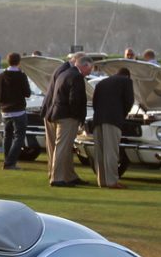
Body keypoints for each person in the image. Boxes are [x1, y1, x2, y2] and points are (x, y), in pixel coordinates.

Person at [47, 53, 91, 187]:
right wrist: (78, 117)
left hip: (59, 114)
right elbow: (75, 100)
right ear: (84, 65)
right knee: (62, 148)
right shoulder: (76, 76)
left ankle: (68, 176)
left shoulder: (65, 73)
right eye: (89, 69)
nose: (90, 72)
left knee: (64, 148)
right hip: (67, 117)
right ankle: (57, 178)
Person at [90, 66, 134, 188]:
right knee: (111, 151)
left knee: (100, 151)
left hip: (98, 119)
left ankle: (102, 180)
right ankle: (112, 181)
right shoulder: (127, 81)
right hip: (113, 120)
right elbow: (129, 101)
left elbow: (94, 102)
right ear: (127, 76)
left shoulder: (101, 83)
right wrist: (122, 115)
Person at [0, 52, 32, 170]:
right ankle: (10, 162)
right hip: (18, 111)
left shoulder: (0, 76)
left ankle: (7, 160)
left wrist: (0, 104)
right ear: (19, 62)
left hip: (5, 111)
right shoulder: (21, 76)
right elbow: (27, 93)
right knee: (19, 137)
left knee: (7, 137)